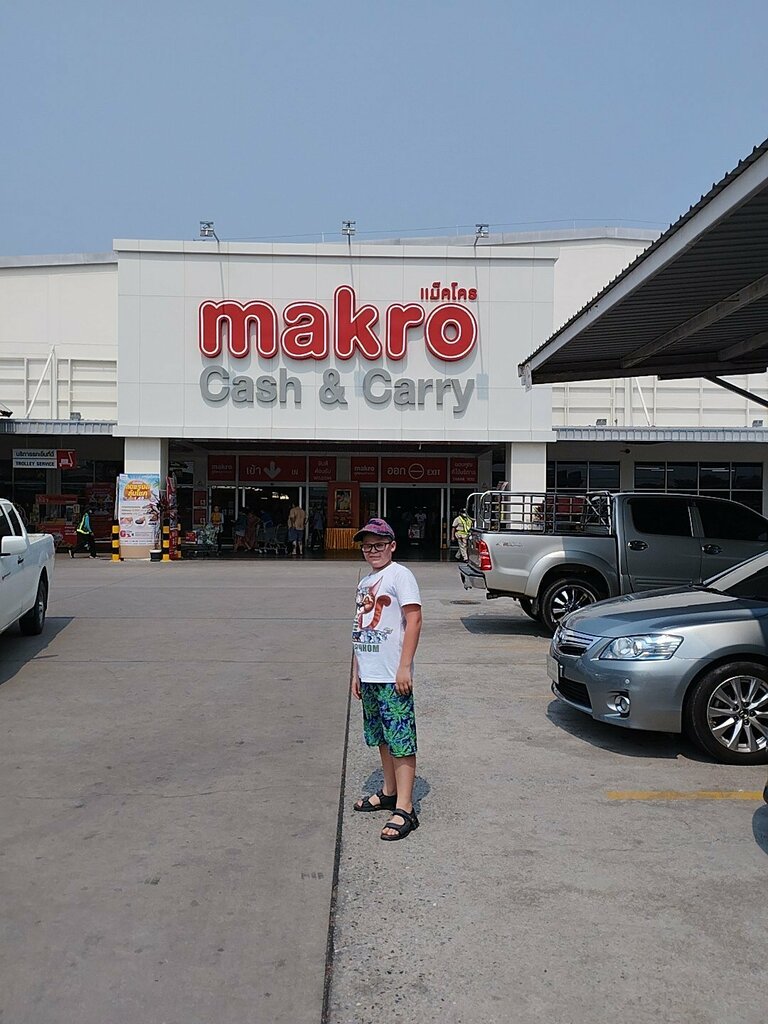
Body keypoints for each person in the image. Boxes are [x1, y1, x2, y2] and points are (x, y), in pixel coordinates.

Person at [351, 518, 423, 841]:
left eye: (379, 544)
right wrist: (356, 671)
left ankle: (406, 808)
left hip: (393, 675)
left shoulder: (400, 575)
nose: (373, 551)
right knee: (380, 736)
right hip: (369, 675)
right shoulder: (365, 582)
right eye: (367, 546)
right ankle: (390, 790)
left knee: (400, 739)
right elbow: (360, 626)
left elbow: (414, 618)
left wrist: (405, 666)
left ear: (392, 545)